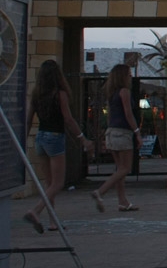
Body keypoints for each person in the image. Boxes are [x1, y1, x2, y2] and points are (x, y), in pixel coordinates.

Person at [23, 59, 92, 233]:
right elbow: (68, 119)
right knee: (58, 183)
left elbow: (29, 119)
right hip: (55, 137)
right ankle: (35, 211)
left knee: (49, 184)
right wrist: (82, 138)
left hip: (40, 137)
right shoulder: (59, 94)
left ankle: (53, 221)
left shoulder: (36, 94)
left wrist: (23, 140)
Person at [91, 63, 141, 213]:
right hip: (122, 133)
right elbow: (128, 113)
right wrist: (137, 131)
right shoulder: (124, 92)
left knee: (120, 169)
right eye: (129, 74)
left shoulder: (112, 93)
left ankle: (123, 202)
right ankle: (100, 191)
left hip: (112, 131)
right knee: (126, 168)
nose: (131, 76)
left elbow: (111, 115)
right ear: (123, 76)